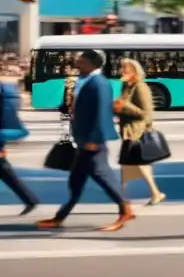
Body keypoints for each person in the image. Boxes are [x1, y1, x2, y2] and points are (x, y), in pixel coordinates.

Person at [36, 49, 134, 231]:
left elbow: (100, 113)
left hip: (92, 142)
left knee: (102, 177)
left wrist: (93, 140)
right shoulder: (89, 81)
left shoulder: (99, 83)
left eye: (80, 62)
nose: (77, 65)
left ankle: (125, 210)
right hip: (84, 140)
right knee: (76, 180)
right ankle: (59, 217)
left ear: (91, 63)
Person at [114, 58, 166, 206]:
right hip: (128, 132)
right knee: (130, 165)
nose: (121, 71)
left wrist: (125, 105)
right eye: (121, 68)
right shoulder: (126, 87)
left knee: (133, 164)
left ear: (134, 71)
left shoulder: (140, 87)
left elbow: (146, 113)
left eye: (125, 69)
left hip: (136, 133)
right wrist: (117, 108)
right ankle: (154, 193)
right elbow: (124, 109)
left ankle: (122, 201)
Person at [0, 81, 39, 215]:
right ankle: (30, 199)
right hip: (3, 132)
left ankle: (30, 199)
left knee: (4, 169)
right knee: (4, 170)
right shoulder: (6, 90)